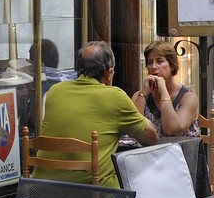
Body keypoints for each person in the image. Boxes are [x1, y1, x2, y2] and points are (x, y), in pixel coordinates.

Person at [40, 40, 157, 187]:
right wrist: (143, 96)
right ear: (109, 73)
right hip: (93, 196)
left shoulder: (55, 91)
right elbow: (152, 138)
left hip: (43, 191)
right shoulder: (115, 96)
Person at [132, 39, 200, 138]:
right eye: (150, 62)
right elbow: (133, 128)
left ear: (172, 65)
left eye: (159, 61)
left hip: (181, 151)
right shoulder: (140, 95)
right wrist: (143, 93)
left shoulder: (188, 97)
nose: (153, 67)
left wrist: (163, 91)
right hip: (150, 152)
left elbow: (171, 130)